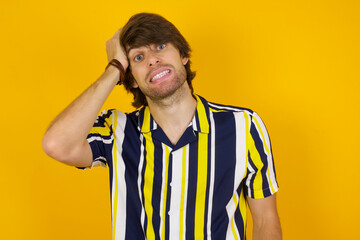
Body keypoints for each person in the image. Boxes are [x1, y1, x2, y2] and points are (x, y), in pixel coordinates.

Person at [42, 13, 281, 240]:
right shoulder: (117, 130)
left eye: (160, 46)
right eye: (138, 57)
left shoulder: (243, 126)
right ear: (132, 79)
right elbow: (56, 144)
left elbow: (264, 220)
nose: (153, 60)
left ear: (183, 55)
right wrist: (114, 68)